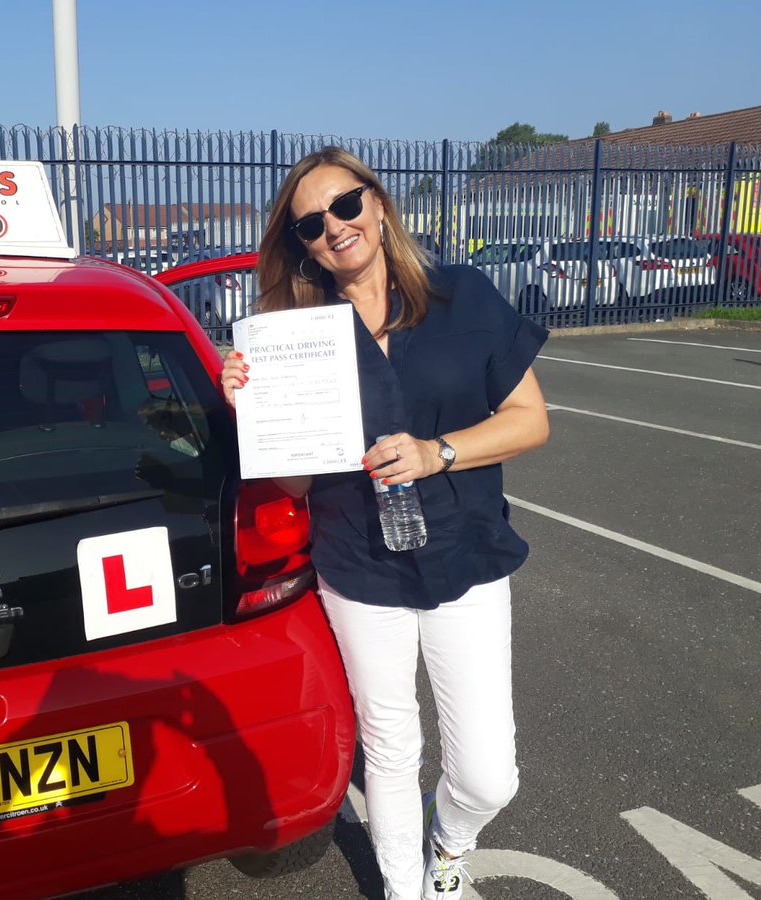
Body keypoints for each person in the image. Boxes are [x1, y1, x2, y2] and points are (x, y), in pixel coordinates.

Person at [220, 146, 549, 900]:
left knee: (487, 774)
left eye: (345, 205)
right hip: (360, 563)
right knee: (391, 748)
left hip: (465, 554)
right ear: (299, 242)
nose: (334, 228)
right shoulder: (296, 335)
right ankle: (408, 889)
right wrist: (256, 413)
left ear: (377, 203)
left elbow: (531, 421)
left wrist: (440, 452)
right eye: (310, 222)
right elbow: (296, 481)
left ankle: (451, 838)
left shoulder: (462, 297)